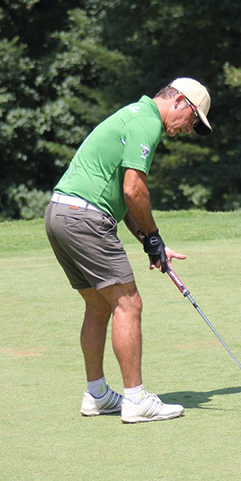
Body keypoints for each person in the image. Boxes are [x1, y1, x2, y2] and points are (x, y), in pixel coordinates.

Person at [44, 77, 213, 423]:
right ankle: (136, 400)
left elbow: (123, 199)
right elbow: (134, 190)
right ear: (179, 102)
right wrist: (153, 237)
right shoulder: (146, 122)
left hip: (60, 214)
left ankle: (96, 395)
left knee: (98, 304)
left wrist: (151, 243)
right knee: (128, 304)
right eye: (193, 119)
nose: (189, 129)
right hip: (86, 218)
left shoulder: (133, 115)